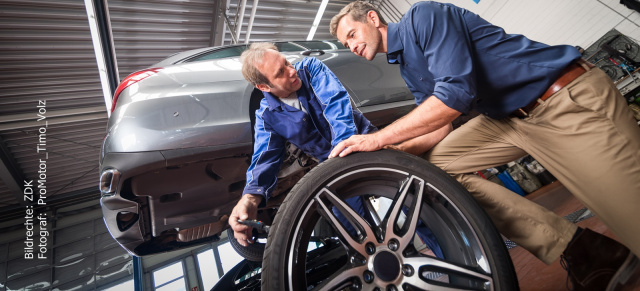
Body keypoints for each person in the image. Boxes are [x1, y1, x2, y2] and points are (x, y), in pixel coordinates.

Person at [329, 1, 640, 290]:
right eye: (346, 44)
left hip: (561, 100)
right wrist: (389, 156)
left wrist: (377, 137)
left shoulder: (423, 17)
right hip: (509, 121)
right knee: (436, 170)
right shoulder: (407, 66)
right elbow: (439, 125)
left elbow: (454, 96)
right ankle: (581, 249)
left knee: (634, 219)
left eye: (352, 34)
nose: (352, 46)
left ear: (372, 18)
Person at [228, 43, 446, 257]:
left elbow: (335, 104)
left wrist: (345, 145)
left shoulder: (311, 69)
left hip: (365, 144)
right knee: (353, 233)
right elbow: (264, 157)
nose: (292, 70)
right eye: (281, 72)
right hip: (334, 167)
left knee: (414, 206)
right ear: (264, 87)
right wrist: (249, 199)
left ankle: (453, 259)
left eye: (286, 63)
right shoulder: (267, 116)